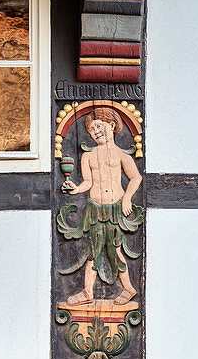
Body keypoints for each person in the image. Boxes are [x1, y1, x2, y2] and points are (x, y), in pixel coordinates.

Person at [59, 107, 143, 305]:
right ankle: (88, 291)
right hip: (95, 209)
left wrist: (127, 199)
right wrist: (76, 189)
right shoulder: (88, 156)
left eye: (99, 125)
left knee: (115, 249)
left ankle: (128, 288)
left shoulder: (122, 155)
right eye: (91, 129)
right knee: (93, 250)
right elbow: (88, 182)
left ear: (112, 125)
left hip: (115, 208)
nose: (95, 131)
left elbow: (135, 177)